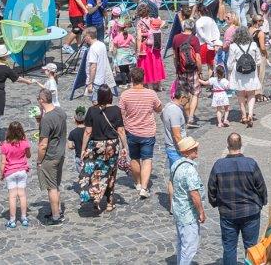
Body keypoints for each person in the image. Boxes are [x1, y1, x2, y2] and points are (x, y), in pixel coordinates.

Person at [207, 132, 269, 265]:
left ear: (228, 145)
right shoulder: (251, 163)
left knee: (229, 248)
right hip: (250, 211)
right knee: (251, 247)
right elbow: (261, 186)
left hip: (228, 213)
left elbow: (211, 189)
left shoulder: (219, 165)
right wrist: (263, 201)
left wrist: (216, 203)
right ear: (241, 145)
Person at [118, 68, 163, 198]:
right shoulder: (151, 94)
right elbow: (159, 108)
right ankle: (144, 187)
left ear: (131, 79)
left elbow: (121, 113)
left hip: (131, 131)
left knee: (134, 158)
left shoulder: (125, 95)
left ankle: (137, 183)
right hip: (147, 131)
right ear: (143, 78)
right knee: (147, 159)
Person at [81, 86, 125, 214]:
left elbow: (87, 132)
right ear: (110, 96)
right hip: (112, 146)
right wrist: (124, 147)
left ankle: (96, 200)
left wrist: (83, 149)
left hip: (96, 146)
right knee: (111, 173)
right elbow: (121, 131)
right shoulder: (116, 110)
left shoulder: (91, 110)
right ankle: (110, 203)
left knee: (96, 173)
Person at [170, 136, 206, 265]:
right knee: (189, 247)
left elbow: (171, 184)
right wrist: (201, 212)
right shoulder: (189, 170)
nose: (196, 149)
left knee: (182, 244)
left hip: (179, 210)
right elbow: (194, 194)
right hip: (188, 214)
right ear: (186, 152)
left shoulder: (176, 164)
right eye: (193, 148)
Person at [35, 88, 67, 224]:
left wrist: (39, 160)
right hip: (60, 153)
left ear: (42, 100)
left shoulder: (47, 119)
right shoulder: (60, 111)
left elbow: (43, 144)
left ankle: (55, 216)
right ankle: (58, 210)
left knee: (51, 187)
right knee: (56, 184)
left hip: (50, 156)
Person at [0, 120, 32, 228]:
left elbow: (3, 162)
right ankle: (24, 218)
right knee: (22, 195)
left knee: (12, 196)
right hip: (22, 171)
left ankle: (12, 220)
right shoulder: (24, 143)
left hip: (10, 172)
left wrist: (1, 174)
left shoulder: (5, 145)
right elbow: (28, 156)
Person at [228, 26, 262, 127]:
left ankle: (243, 115)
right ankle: (250, 114)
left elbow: (229, 64)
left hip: (239, 73)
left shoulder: (233, 46)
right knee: (251, 94)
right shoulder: (253, 45)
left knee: (240, 95)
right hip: (251, 72)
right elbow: (258, 61)